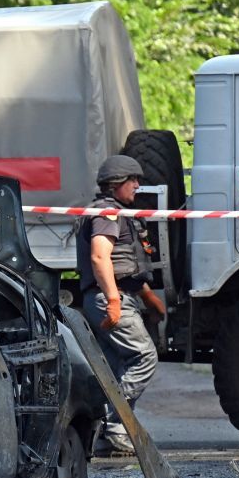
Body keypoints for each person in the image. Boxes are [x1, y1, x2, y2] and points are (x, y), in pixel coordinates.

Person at [75, 155, 166, 458]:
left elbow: (122, 263)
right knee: (143, 358)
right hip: (109, 299)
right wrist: (114, 300)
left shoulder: (115, 212)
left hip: (111, 296)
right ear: (116, 184)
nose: (138, 185)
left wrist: (146, 296)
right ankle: (114, 428)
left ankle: (105, 434)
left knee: (118, 368)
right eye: (133, 180)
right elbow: (101, 257)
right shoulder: (107, 214)